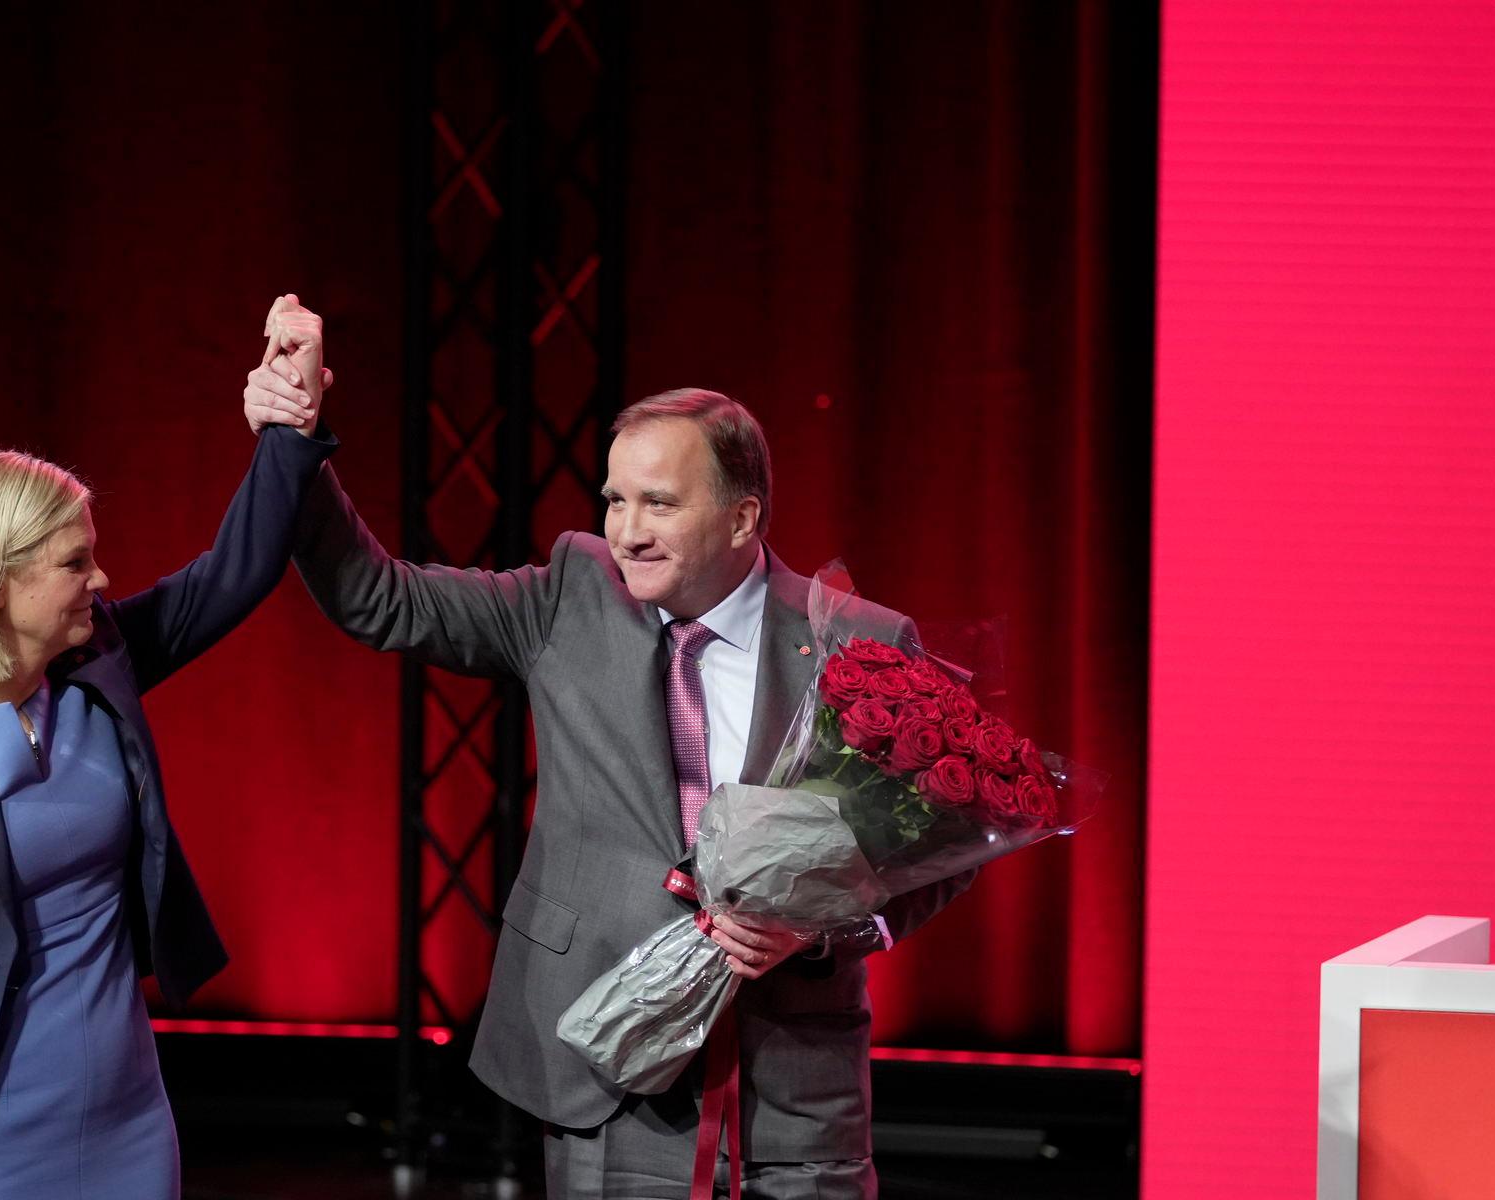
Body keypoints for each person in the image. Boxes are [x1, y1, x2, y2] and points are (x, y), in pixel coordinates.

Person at [247, 302, 975, 1199]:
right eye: (615, 498)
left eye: (658, 503)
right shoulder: (571, 596)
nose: (625, 529)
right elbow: (377, 597)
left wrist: (820, 930)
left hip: (790, 1090)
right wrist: (294, 441)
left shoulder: (855, 644)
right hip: (609, 1064)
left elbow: (948, 846)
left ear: (743, 517)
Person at [0, 299, 335, 1200]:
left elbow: (236, 569)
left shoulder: (101, 661)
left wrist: (291, 425)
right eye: (72, 562)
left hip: (128, 1118)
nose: (100, 578)